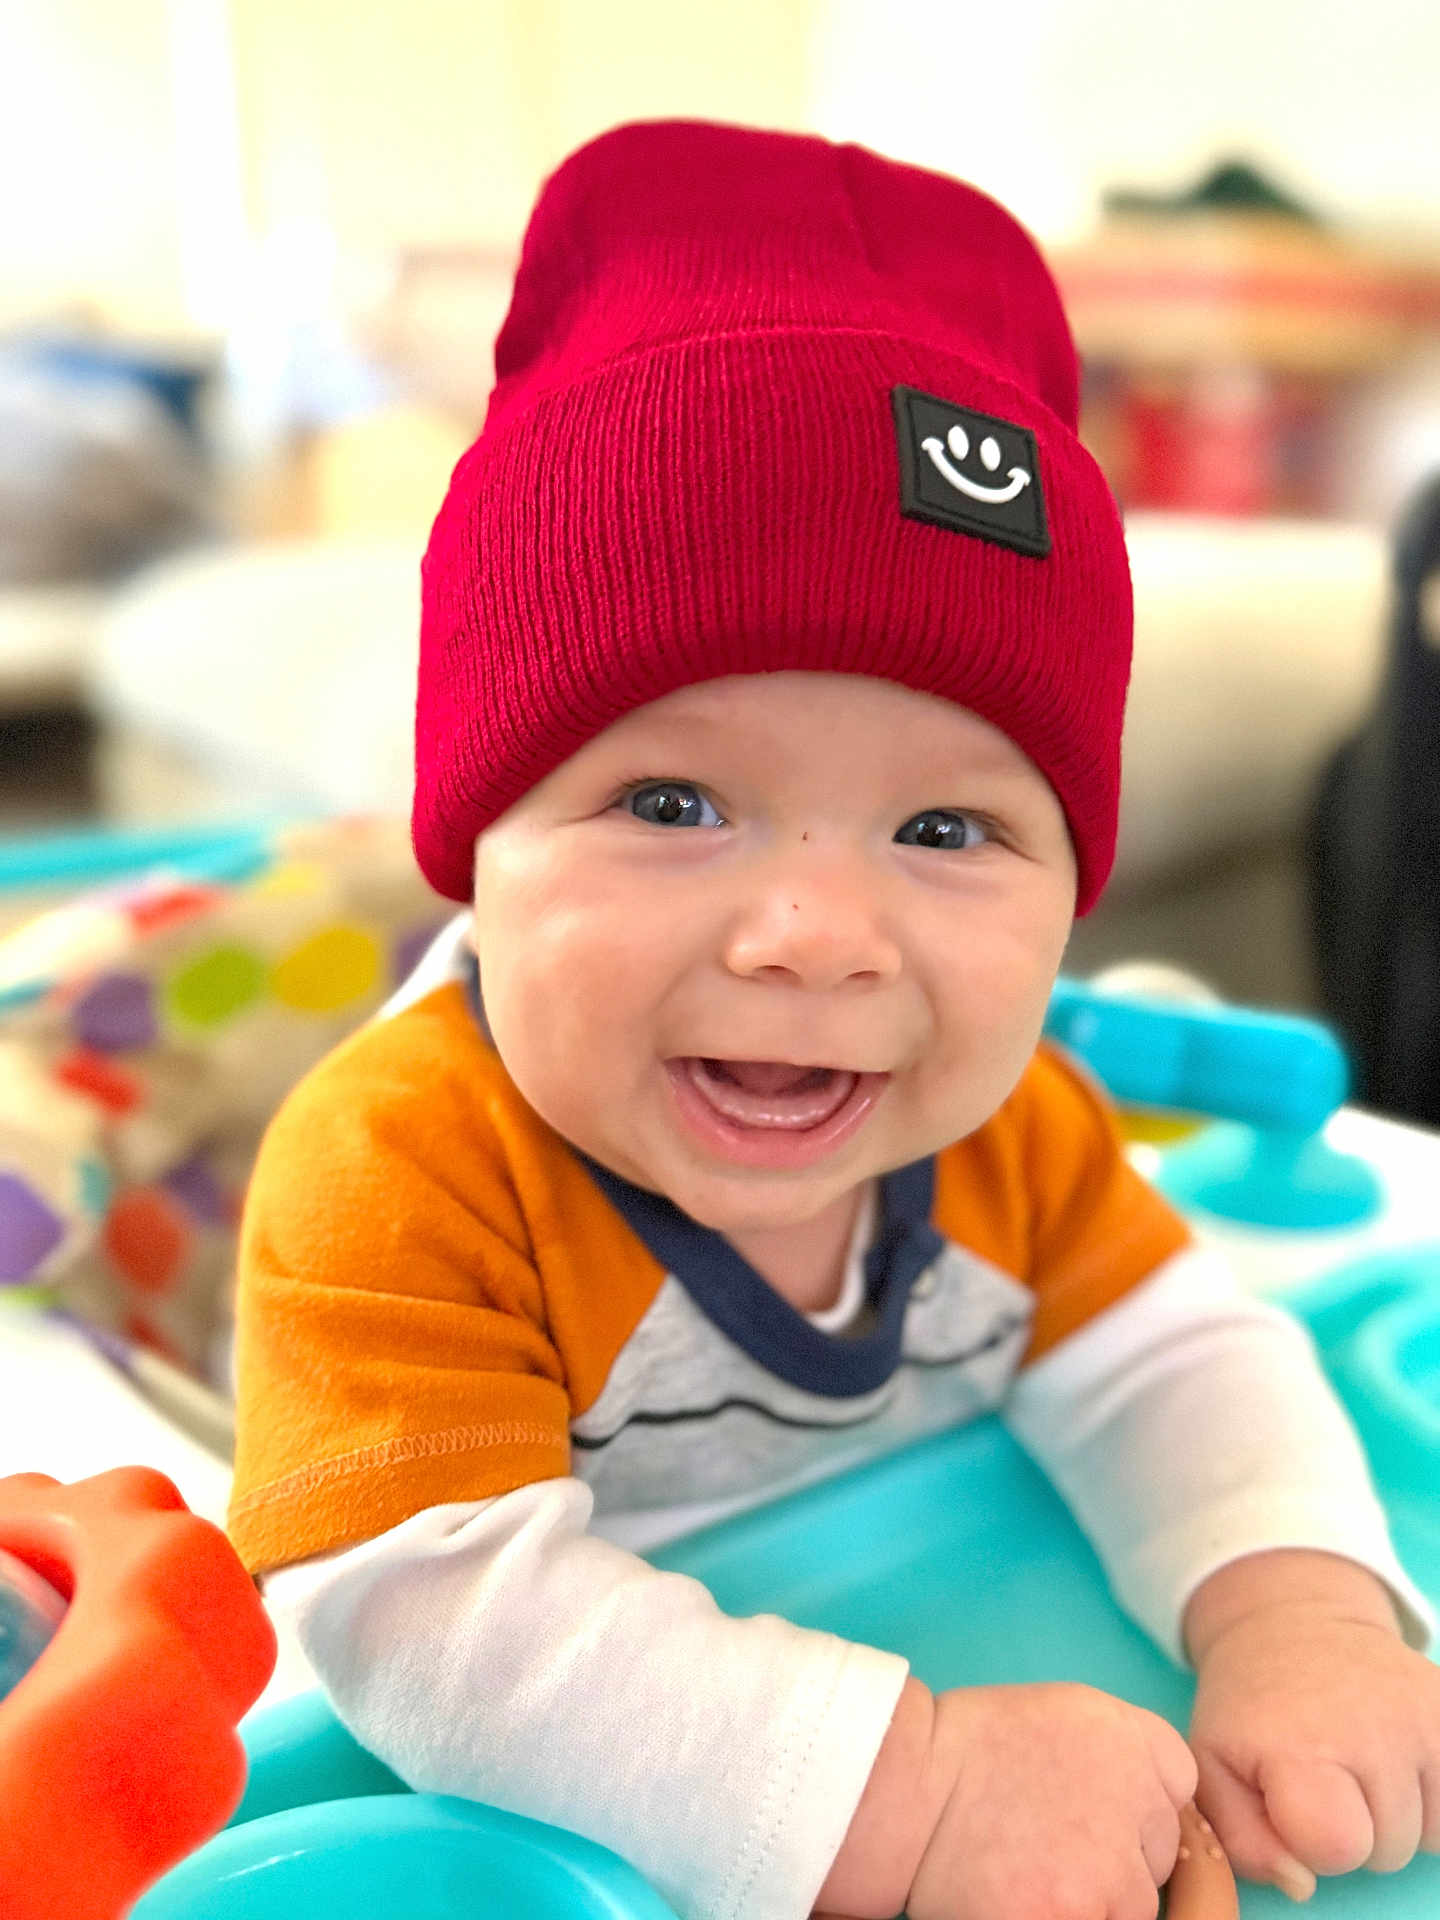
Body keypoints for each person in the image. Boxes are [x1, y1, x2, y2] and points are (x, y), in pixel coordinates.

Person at [227, 120, 1440, 1920]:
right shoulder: (401, 1166)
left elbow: (1177, 1352)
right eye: (670, 803)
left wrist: (1294, 1598)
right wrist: (909, 1796)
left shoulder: (1010, 1119)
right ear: (474, 852)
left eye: (948, 831)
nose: (814, 936)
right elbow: (415, 1606)